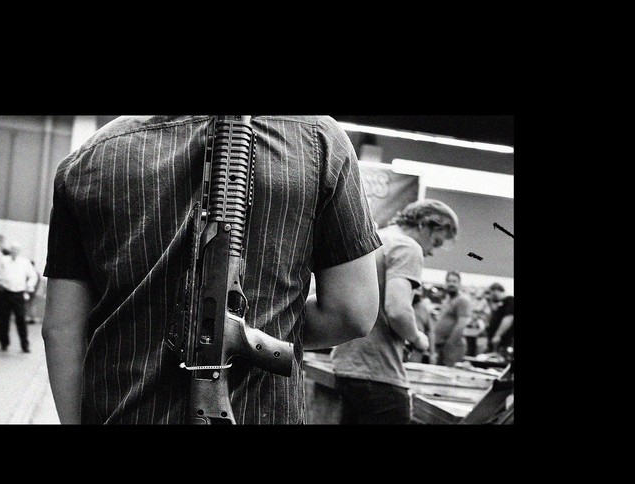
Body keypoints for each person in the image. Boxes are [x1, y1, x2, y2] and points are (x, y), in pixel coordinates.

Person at [42, 116, 381, 424]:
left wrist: (221, 330)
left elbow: (60, 330)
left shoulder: (88, 157)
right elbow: (352, 312)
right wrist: (248, 327)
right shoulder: (319, 139)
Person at [331, 199, 460, 424]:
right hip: (379, 372)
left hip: (347, 365)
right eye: (436, 242)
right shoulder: (407, 246)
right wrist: (419, 339)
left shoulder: (373, 239)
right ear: (426, 225)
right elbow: (398, 310)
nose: (431, 252)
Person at [0, 243, 38, 353]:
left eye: (16, 250)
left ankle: (24, 345)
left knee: (21, 319)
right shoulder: (3, 260)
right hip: (5, 292)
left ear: (19, 251)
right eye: (12, 249)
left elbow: (33, 276)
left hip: (18, 294)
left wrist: (29, 286)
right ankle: (4, 343)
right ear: (10, 250)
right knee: (3, 319)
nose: (14, 251)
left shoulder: (25, 262)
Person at [431, 270, 471, 367]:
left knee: (449, 374)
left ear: (459, 283)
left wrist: (449, 344)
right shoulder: (448, 299)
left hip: (453, 346)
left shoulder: (462, 300)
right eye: (449, 281)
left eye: (454, 281)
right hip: (441, 345)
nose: (451, 284)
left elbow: (461, 324)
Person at [484, 282, 514, 354]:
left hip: (504, 342)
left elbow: (509, 318)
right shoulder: (499, 306)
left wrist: (498, 335)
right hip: (494, 343)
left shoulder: (509, 300)